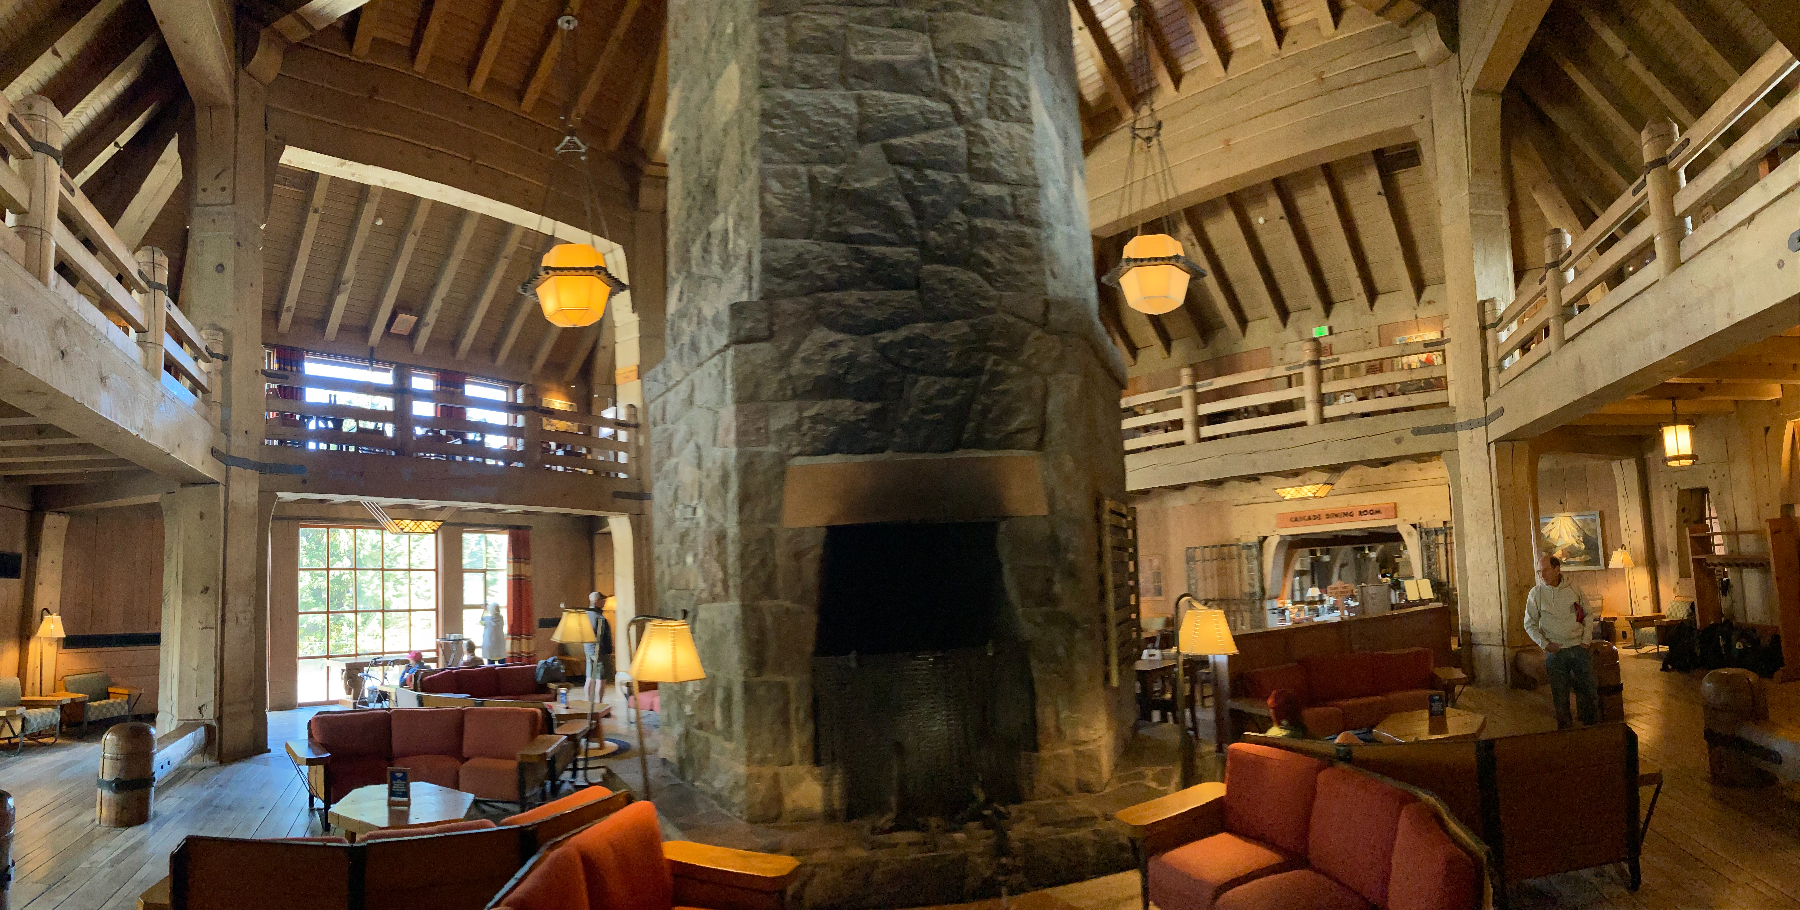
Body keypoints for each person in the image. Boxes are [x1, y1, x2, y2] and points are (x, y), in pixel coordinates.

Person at [1524, 554, 1600, 728]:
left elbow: (1588, 614)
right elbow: (1529, 624)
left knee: (1588, 690)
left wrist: (1586, 640)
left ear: (1557, 569)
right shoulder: (1536, 594)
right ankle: (1565, 731)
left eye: (1545, 570)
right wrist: (1545, 644)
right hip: (1556, 651)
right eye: (1539, 571)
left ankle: (1591, 729)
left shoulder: (1574, 589)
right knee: (1560, 695)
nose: (1542, 575)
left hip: (1579, 646)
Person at [584, 592, 615, 703]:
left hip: (588, 650)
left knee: (589, 677)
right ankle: (599, 703)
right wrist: (609, 649)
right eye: (603, 601)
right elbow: (602, 636)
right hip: (600, 651)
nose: (604, 603)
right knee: (601, 679)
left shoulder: (586, 615)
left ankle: (587, 702)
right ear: (597, 601)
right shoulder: (599, 617)